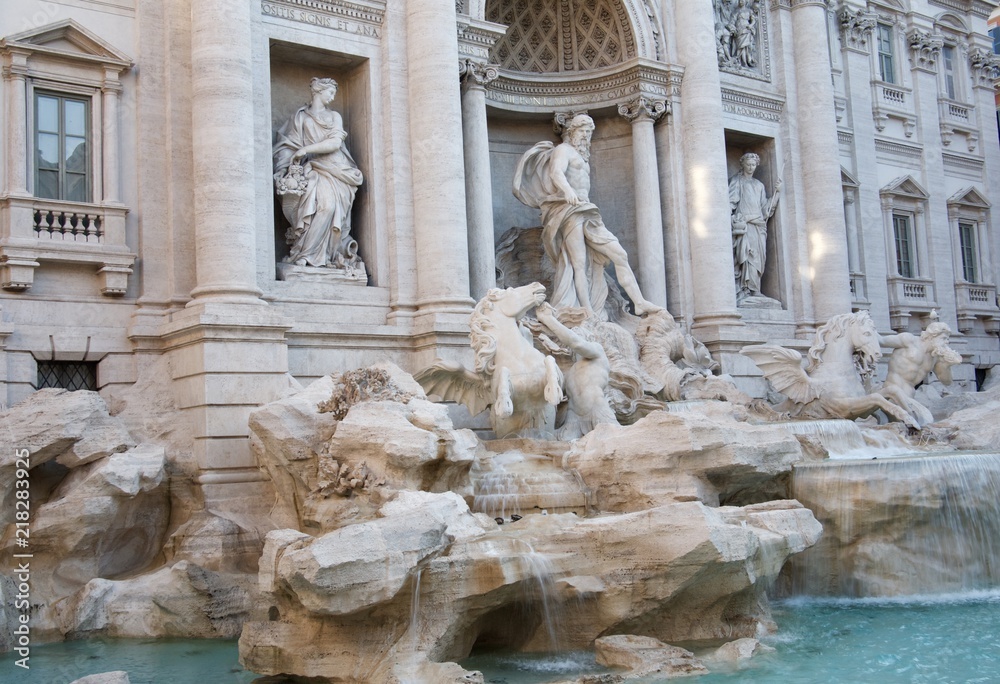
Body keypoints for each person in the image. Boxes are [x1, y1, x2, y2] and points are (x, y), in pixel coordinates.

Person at [513, 114, 662, 317]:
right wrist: (568, 192)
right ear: (572, 132)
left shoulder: (582, 156)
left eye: (589, 133)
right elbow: (556, 172)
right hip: (570, 211)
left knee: (619, 254)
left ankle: (639, 302)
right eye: (582, 131)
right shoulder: (562, 150)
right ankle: (587, 311)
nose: (585, 136)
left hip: (588, 212)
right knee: (579, 264)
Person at [273, 77, 364, 270]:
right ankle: (305, 253)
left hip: (337, 168)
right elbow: (288, 144)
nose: (332, 97)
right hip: (312, 169)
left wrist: (305, 150)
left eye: (334, 93)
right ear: (318, 92)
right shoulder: (300, 118)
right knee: (318, 208)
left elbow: (335, 143)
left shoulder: (334, 117)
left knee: (329, 208)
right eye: (330, 92)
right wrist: (287, 164)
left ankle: (325, 256)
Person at [534, 302, 616, 439]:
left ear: (588, 338)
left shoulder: (598, 353)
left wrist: (548, 319)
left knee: (615, 441)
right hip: (573, 420)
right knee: (558, 445)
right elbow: (554, 392)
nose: (574, 338)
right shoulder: (571, 372)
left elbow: (575, 343)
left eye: (579, 335)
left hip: (597, 410)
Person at [878, 318, 962, 427]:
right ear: (933, 336)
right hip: (892, 390)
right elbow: (881, 341)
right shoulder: (909, 340)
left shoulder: (935, 357)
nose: (947, 342)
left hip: (909, 396)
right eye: (944, 338)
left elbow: (946, 381)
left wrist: (947, 365)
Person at [729, 152, 780, 301]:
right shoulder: (737, 181)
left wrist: (776, 193)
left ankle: (755, 288)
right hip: (745, 224)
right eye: (748, 164)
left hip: (758, 225)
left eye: (753, 165)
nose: (751, 167)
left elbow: (765, 209)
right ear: (742, 164)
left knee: (758, 258)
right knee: (747, 256)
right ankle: (746, 289)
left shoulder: (759, 185)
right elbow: (730, 202)